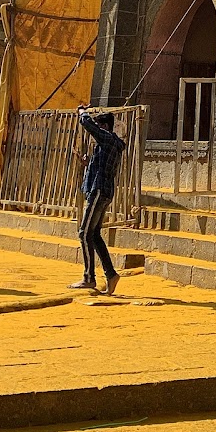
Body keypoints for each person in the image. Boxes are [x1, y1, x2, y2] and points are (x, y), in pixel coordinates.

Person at [72, 104, 126, 295]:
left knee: (84, 233)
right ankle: (110, 274)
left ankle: (89, 277)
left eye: (99, 126)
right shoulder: (110, 144)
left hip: (99, 190)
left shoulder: (108, 138)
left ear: (104, 126)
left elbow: (87, 123)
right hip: (103, 191)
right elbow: (102, 166)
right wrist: (87, 163)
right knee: (93, 234)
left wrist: (82, 112)